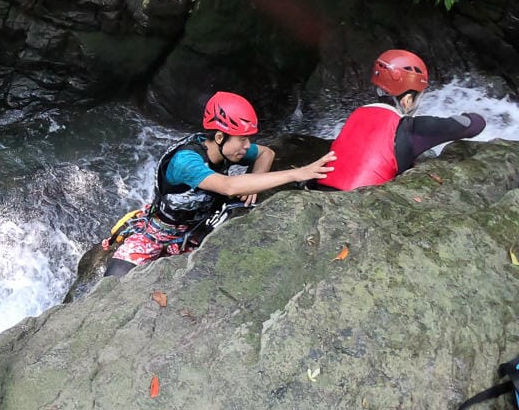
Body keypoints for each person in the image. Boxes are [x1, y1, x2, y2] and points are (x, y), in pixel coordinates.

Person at [103, 92, 337, 279]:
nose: (247, 146)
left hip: (203, 225)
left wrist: (254, 185)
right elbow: (228, 186)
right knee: (115, 279)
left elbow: (266, 153)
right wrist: (298, 173)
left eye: (248, 139)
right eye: (242, 139)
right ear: (219, 137)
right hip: (163, 229)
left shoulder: (226, 149)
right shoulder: (186, 161)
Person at [315, 49, 486, 191]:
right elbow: (473, 125)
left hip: (320, 194)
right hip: (360, 207)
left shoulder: (356, 115)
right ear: (407, 100)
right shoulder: (412, 128)